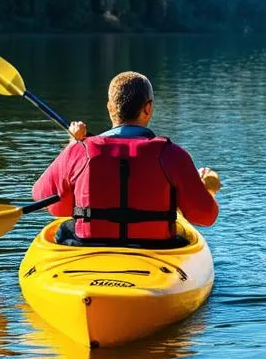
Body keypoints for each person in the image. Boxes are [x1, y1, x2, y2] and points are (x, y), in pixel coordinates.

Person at [32, 70, 220, 248]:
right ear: (148, 108)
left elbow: (47, 200)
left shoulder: (80, 150)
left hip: (88, 247)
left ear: (109, 107)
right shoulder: (172, 155)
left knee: (63, 230)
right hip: (156, 250)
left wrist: (73, 145)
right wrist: (209, 189)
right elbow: (205, 216)